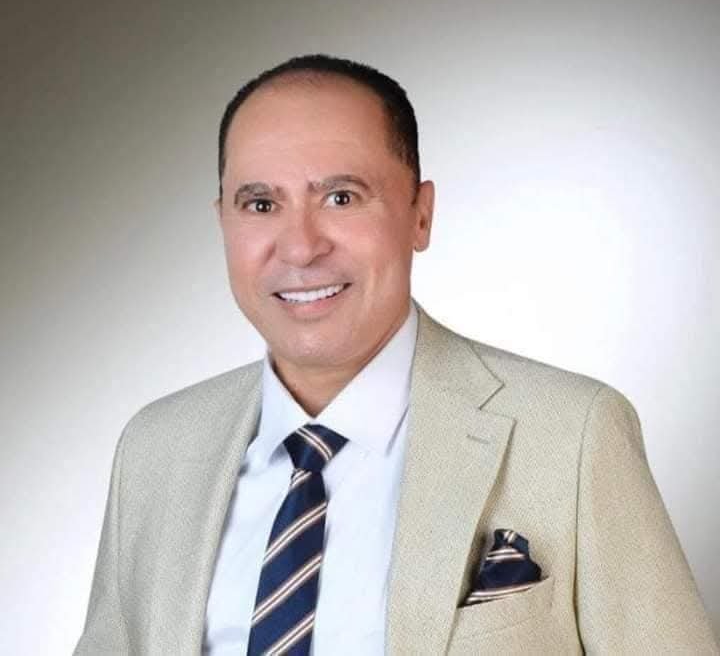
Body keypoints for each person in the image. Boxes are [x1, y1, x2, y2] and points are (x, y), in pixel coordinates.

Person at [75, 54, 718, 655]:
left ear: (420, 215)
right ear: (224, 221)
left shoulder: (573, 435)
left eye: (341, 197)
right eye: (261, 204)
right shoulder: (156, 450)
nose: (299, 247)